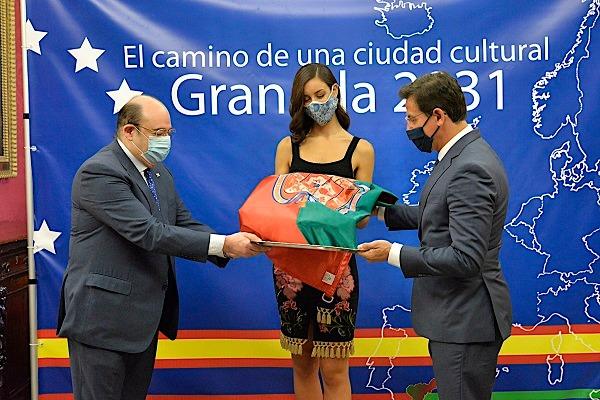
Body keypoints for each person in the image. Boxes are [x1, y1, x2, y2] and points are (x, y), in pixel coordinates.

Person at [56, 95, 266, 400]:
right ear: (129, 131)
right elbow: (149, 233)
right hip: (101, 323)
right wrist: (224, 245)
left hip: (141, 324)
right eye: (158, 133)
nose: (165, 141)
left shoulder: (158, 173)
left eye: (169, 133)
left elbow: (182, 223)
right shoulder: (100, 172)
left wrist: (232, 245)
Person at [358, 71, 512, 400]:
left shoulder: (471, 168)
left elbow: (466, 257)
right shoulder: (462, 156)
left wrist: (392, 254)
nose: (408, 128)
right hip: (458, 318)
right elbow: (439, 212)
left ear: (438, 116)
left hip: (465, 320)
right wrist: (379, 210)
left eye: (412, 119)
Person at [273, 63, 375, 400]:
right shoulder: (288, 148)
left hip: (337, 268)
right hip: (292, 268)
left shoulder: (360, 149)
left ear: (336, 92)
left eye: (320, 94)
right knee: (302, 363)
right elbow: (278, 210)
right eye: (306, 99)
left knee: (334, 368)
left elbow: (360, 221)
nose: (315, 103)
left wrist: (359, 208)